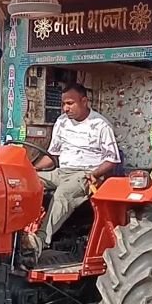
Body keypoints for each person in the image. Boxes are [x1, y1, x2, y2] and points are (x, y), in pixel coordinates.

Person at [24, 83, 120, 260]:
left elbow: (112, 159)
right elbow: (53, 155)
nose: (65, 108)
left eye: (70, 103)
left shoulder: (100, 125)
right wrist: (32, 169)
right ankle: (17, 234)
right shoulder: (61, 122)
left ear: (84, 101)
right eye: (63, 104)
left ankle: (38, 242)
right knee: (24, 181)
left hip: (85, 174)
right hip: (61, 171)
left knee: (63, 193)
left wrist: (95, 174)